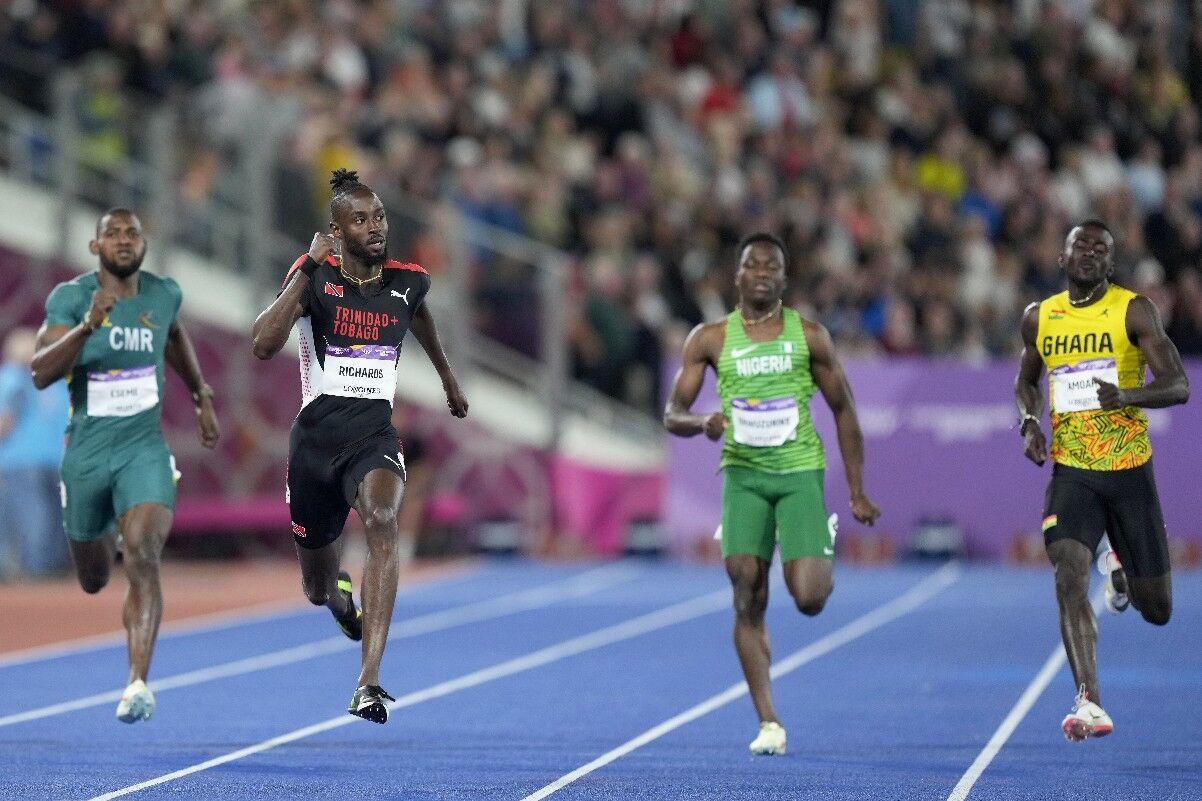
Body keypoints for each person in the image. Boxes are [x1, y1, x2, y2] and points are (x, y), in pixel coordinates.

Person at [251, 169, 468, 724]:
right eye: (361, 220)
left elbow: (419, 316)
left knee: (382, 516)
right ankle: (342, 600)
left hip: (373, 438)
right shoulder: (314, 281)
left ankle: (368, 681)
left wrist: (448, 379)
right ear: (336, 230)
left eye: (380, 217)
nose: (375, 228)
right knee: (316, 586)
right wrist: (305, 266)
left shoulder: (408, 281)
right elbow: (261, 343)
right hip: (314, 451)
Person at [663, 233, 881, 755]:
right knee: (745, 588)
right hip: (742, 474)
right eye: (751, 263)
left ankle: (813, 548)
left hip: (799, 470)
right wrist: (703, 424)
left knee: (808, 598)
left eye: (771, 265)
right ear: (737, 275)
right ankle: (768, 722)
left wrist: (855, 491)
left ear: (784, 278)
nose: (761, 270)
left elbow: (844, 408)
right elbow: (672, 414)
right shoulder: (710, 339)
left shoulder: (809, 336)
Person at [30, 208, 220, 722]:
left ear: (144, 243)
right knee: (94, 578)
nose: (122, 240)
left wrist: (200, 392)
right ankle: (107, 529)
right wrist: (86, 328)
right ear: (95, 248)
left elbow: (174, 336)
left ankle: (137, 682)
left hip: (143, 448)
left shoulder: (163, 294)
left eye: (131, 232)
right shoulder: (70, 298)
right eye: (111, 234)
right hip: (88, 452)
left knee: (143, 551)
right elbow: (40, 372)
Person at [1015, 219, 1188, 742]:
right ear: (1062, 259)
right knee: (1067, 569)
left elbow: (1177, 385)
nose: (1089, 252)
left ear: (1110, 263)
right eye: (1079, 245)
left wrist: (1128, 397)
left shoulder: (1134, 310)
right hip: (1072, 470)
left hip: (1129, 470)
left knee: (1156, 610)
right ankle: (1089, 701)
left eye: (1100, 248)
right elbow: (1026, 381)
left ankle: (1118, 559)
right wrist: (1028, 422)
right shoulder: (1039, 317)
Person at [0, 328, 70, 579]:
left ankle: (36, 572)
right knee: (50, 519)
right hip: (50, 461)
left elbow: (5, 422)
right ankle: (45, 570)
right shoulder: (57, 380)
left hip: (21, 462)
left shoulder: (12, 378)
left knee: (33, 519)